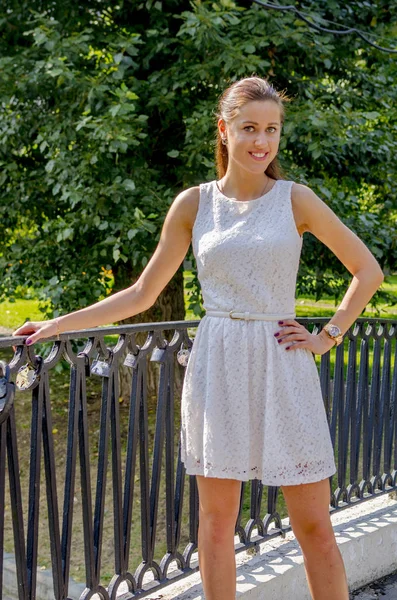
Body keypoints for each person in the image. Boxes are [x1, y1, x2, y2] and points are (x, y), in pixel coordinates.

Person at [13, 76, 384, 600]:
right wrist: (56, 325)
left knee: (315, 528)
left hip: (283, 365)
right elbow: (142, 294)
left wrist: (328, 337)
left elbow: (367, 271)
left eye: (272, 130)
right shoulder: (194, 204)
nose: (262, 141)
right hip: (219, 366)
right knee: (215, 524)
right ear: (224, 129)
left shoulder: (296, 200)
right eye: (249, 127)